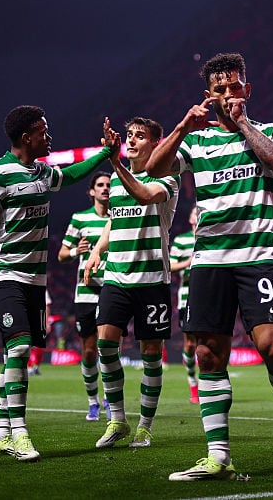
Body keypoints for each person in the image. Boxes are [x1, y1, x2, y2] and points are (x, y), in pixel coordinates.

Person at [145, 52, 273, 481]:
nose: (228, 95)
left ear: (248, 89)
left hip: (257, 256)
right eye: (220, 90)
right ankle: (218, 456)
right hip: (209, 260)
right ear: (208, 95)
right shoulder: (196, 142)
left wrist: (242, 124)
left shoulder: (272, 131)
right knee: (207, 353)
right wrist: (184, 125)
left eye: (235, 87)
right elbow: (151, 167)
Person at [0, 105, 115, 462]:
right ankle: (19, 434)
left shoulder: (42, 172)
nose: (49, 136)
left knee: (12, 354)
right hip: (4, 272)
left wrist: (106, 152)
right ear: (27, 136)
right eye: (44, 131)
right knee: (19, 349)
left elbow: (73, 175)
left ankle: (0, 434)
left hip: (35, 279)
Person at [84, 116, 179, 450]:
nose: (133, 140)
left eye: (141, 136)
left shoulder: (168, 179)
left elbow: (141, 195)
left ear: (156, 143)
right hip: (116, 277)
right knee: (105, 345)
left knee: (151, 354)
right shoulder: (114, 177)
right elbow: (114, 220)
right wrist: (97, 250)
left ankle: (145, 426)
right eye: (129, 135)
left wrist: (116, 163)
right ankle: (118, 419)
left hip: (152, 279)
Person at [58, 171, 111, 421]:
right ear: (91, 191)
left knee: (109, 348)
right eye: (100, 185)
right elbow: (61, 254)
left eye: (108, 185)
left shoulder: (120, 217)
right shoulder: (80, 219)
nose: (104, 188)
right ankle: (93, 402)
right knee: (89, 351)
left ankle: (110, 398)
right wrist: (74, 252)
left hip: (112, 290)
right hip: (86, 293)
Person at [170, 205, 201, 404]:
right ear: (190, 219)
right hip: (186, 298)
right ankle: (193, 384)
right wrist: (188, 262)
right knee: (190, 344)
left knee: (209, 343)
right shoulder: (182, 241)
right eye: (195, 212)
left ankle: (210, 385)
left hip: (210, 299)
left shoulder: (212, 238)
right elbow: (170, 265)